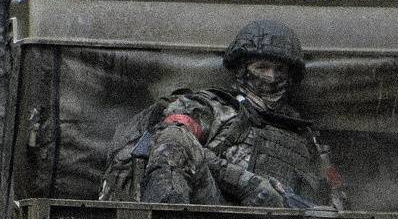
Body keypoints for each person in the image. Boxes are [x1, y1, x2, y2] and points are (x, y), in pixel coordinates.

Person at [132, 20, 345, 209]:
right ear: (242, 69)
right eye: (262, 67)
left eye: (280, 69)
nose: (271, 77)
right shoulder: (214, 107)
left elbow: (336, 195)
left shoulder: (306, 136)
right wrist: (246, 184)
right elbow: (171, 139)